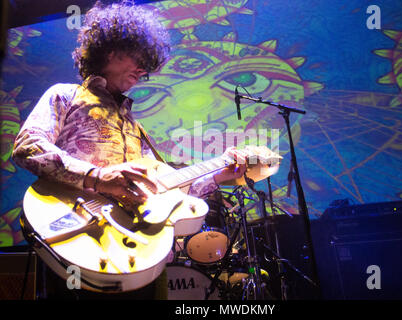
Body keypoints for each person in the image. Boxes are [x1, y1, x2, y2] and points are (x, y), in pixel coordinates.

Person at [12, 1, 247, 300]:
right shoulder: (64, 95)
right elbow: (28, 147)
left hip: (135, 250)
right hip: (75, 240)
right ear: (111, 49)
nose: (143, 70)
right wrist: (96, 177)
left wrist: (217, 175)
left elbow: (162, 190)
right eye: (139, 58)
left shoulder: (135, 126)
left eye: (147, 64)